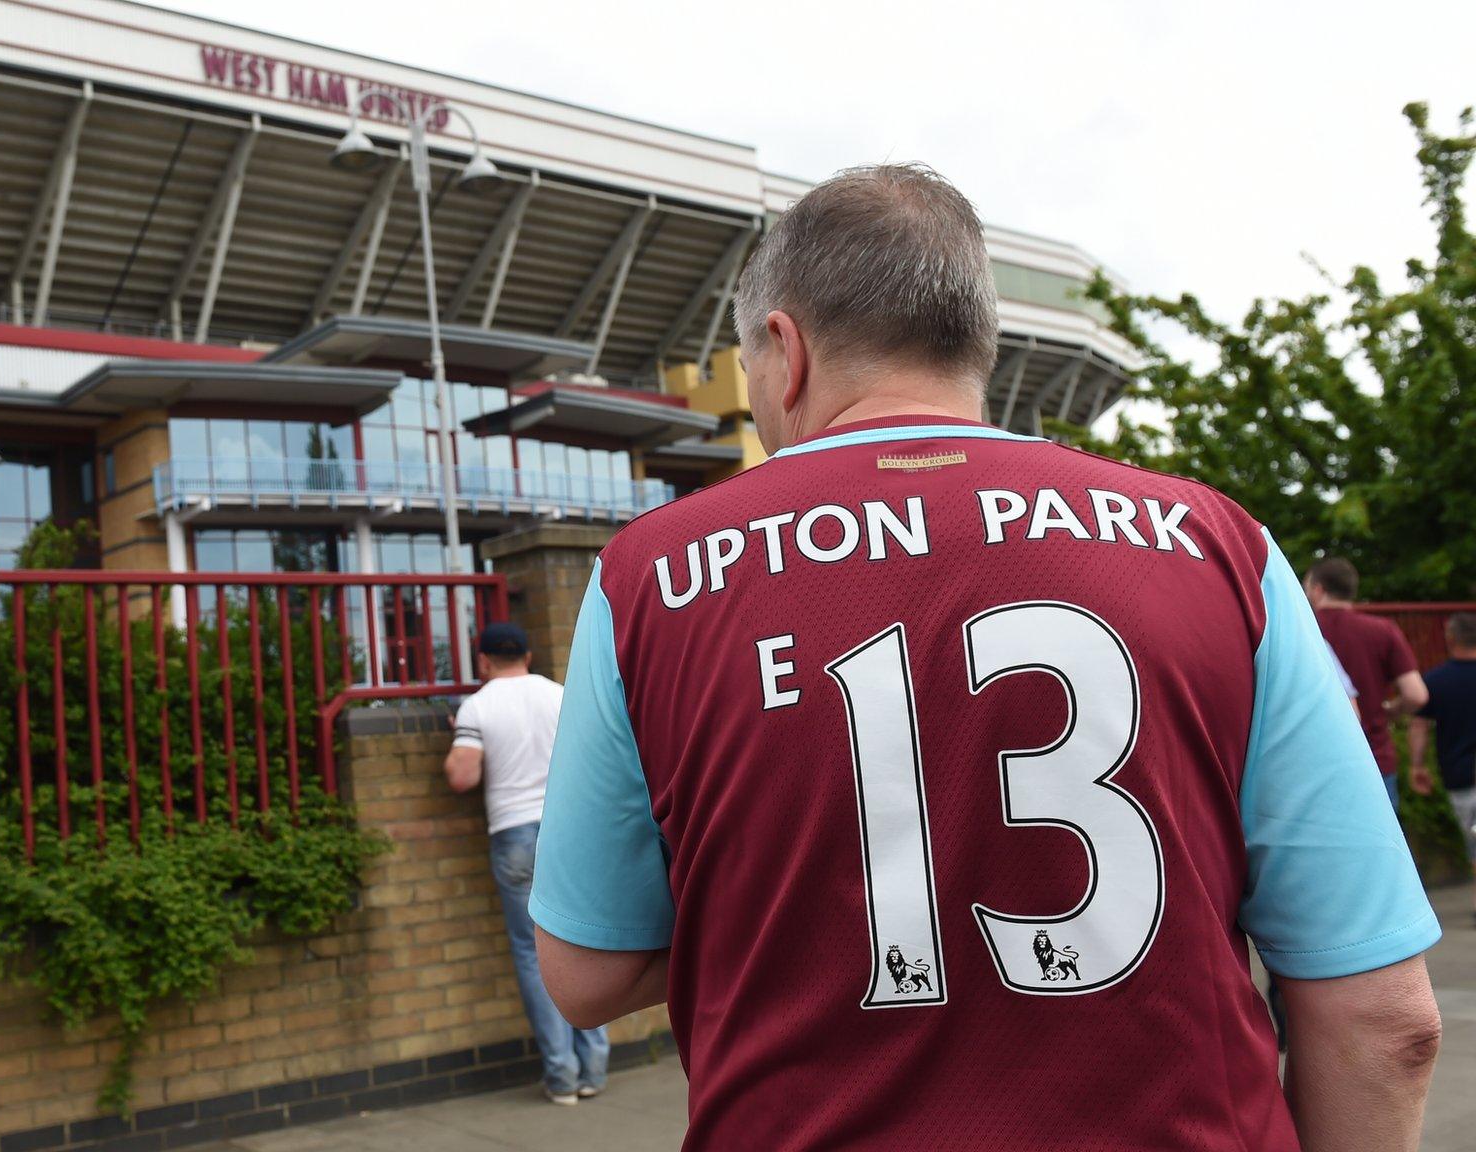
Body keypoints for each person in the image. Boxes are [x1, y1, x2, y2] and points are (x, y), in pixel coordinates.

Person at [529, 164, 1441, 1150]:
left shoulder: (649, 580)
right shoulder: (1217, 548)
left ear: (783, 352)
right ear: (978, 345)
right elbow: (1383, 1021)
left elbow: (583, 976)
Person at [442, 621, 608, 1105]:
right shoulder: (560, 694)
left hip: (514, 835)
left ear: (484, 662)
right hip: (570, 830)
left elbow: (462, 776)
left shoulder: (478, 705)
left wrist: (458, 737)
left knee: (533, 956)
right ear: (529, 656)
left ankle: (561, 1076)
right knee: (587, 942)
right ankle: (594, 1068)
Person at [1306, 557, 1428, 806]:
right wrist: (1391, 711)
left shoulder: (1303, 629)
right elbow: (1416, 694)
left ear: (1318, 589)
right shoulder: (1382, 630)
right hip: (1374, 757)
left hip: (1316, 764)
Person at [1410, 611, 1476, 924]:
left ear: (1450, 638)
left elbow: (1420, 727)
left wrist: (1417, 765)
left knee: (1474, 839)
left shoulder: (1435, 681)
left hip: (1462, 775)